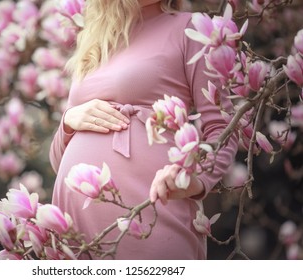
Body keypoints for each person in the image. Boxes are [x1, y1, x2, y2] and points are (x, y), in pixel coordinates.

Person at [49, 0, 238, 259]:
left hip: (154, 209)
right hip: (77, 225)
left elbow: (222, 127)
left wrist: (196, 181)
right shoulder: (94, 40)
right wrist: (69, 122)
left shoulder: (190, 29)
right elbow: (58, 162)